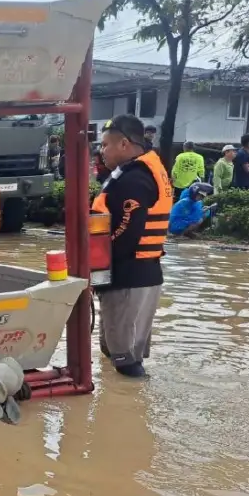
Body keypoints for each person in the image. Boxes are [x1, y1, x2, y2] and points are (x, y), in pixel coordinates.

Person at [91, 114, 173, 378]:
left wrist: (92, 268)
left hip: (130, 278)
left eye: (105, 145)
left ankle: (135, 406)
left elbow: (126, 236)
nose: (101, 151)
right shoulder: (134, 173)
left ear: (124, 144)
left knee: (126, 360)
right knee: (114, 350)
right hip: (136, 275)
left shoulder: (133, 180)